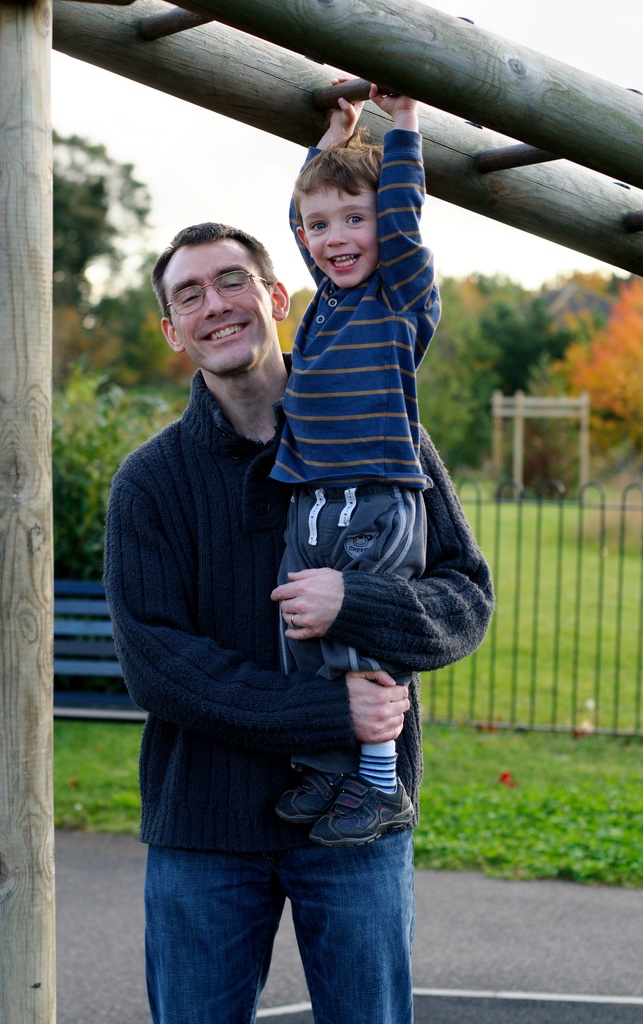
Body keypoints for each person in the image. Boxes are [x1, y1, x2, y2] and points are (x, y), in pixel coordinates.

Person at [103, 218, 493, 1024]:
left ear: (278, 298)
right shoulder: (150, 482)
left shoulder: (387, 435)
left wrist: (358, 602)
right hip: (203, 826)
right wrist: (328, 710)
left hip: (357, 818)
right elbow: (158, 664)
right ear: (172, 331)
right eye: (188, 295)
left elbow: (465, 598)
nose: (215, 305)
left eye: (232, 281)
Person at [271, 83, 440, 846]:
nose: (334, 238)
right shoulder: (329, 301)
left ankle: (379, 782)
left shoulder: (395, 294)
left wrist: (400, 120)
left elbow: (400, 217)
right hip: (312, 495)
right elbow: (299, 211)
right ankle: (330, 767)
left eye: (354, 219)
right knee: (301, 625)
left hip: (375, 493)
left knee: (359, 633)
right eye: (320, 226)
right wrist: (332, 141)